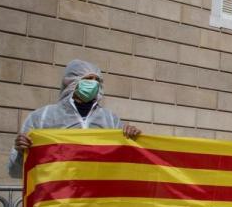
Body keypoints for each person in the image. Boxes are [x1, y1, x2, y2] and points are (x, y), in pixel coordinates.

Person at [9, 59, 141, 178]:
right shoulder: (42, 117)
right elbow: (15, 172)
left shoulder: (110, 120)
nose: (94, 84)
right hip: (58, 198)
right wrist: (21, 152)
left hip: (97, 199)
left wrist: (134, 140)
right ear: (72, 81)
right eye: (89, 79)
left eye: (97, 80)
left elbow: (126, 165)